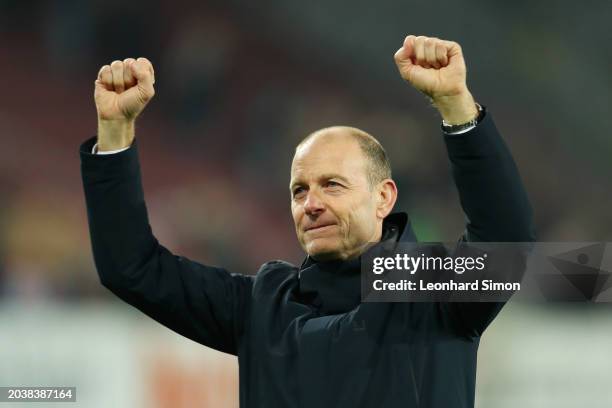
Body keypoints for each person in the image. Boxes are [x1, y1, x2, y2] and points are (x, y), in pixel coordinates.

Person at [80, 35, 535, 407]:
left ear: (383, 198)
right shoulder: (261, 305)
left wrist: (456, 104)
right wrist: (116, 132)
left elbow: (506, 244)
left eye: (332, 185)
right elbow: (131, 267)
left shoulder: (434, 289)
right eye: (300, 190)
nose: (310, 204)